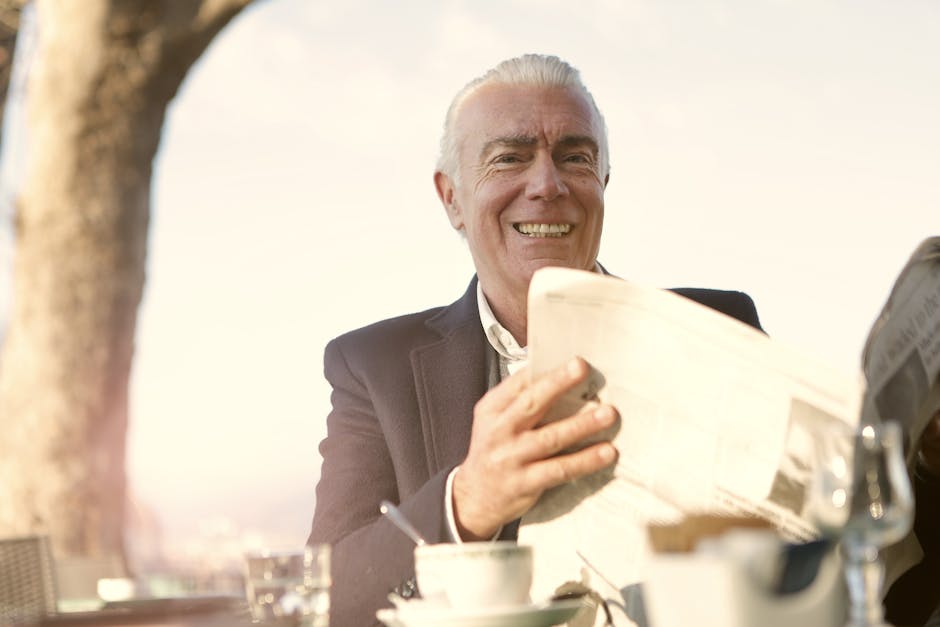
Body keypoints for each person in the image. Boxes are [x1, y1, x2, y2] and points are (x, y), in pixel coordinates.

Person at [308, 54, 940, 626]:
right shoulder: (372, 365)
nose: (547, 184)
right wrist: (466, 501)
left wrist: (927, 463)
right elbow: (323, 598)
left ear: (603, 185)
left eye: (576, 158)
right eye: (510, 157)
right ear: (451, 198)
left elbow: (860, 563)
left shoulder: (718, 325)